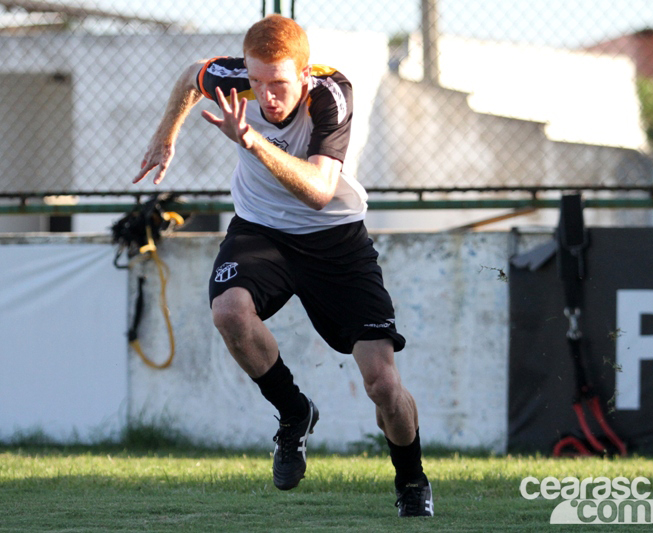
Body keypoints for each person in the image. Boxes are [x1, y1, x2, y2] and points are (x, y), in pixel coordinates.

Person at [133, 14, 433, 517]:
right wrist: (167, 134)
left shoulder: (331, 95)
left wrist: (250, 140)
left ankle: (411, 478)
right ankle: (294, 413)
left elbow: (318, 191)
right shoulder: (236, 82)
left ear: (304, 73)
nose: (266, 95)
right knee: (229, 312)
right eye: (256, 82)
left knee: (382, 383)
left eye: (279, 83)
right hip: (261, 231)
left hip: (334, 239)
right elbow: (191, 74)